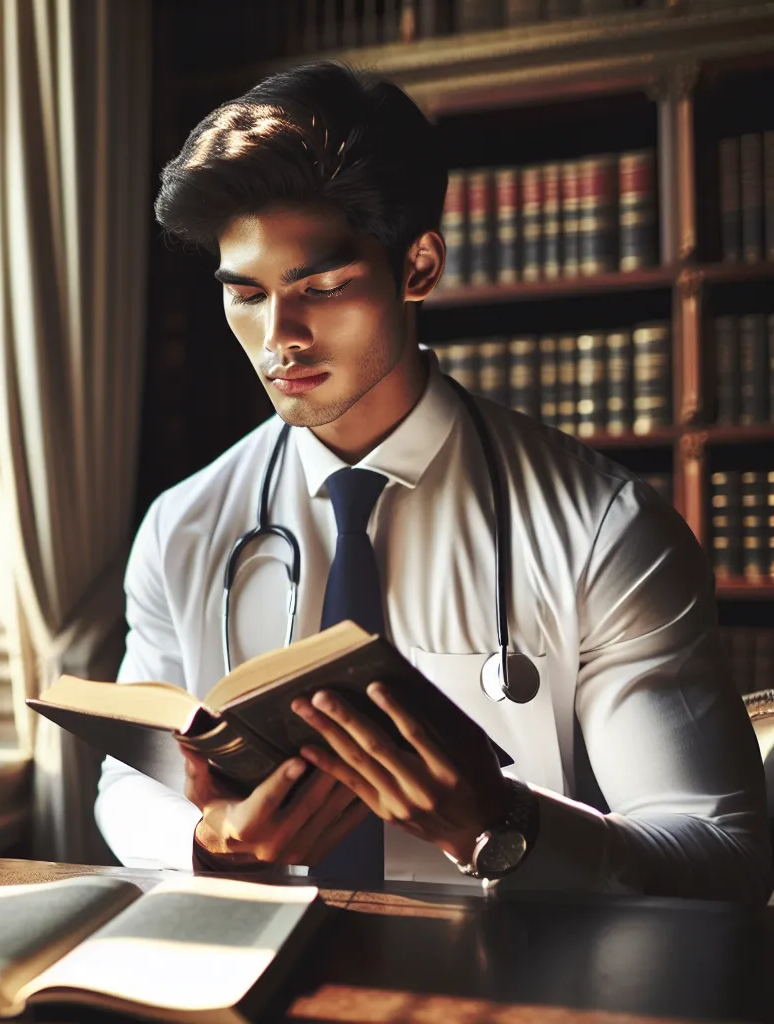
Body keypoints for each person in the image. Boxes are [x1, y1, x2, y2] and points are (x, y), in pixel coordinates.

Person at [96, 60, 772, 900]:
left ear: (418, 269)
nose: (279, 339)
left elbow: (724, 852)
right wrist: (209, 840)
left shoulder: (606, 531)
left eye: (324, 287)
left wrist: (500, 827)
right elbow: (129, 782)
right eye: (247, 296)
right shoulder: (183, 526)